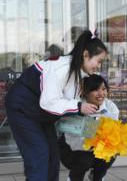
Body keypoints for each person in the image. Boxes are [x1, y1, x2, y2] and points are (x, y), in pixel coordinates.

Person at [5, 30, 108, 181]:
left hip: (41, 114)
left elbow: (65, 102)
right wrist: (79, 107)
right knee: (39, 154)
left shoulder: (78, 73)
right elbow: (49, 102)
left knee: (53, 156)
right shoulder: (60, 68)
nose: (99, 66)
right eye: (99, 61)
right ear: (86, 55)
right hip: (23, 109)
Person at [57, 74, 119, 181]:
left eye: (103, 89)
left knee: (110, 154)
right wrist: (95, 136)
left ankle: (97, 176)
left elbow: (113, 132)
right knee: (85, 158)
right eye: (95, 89)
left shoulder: (110, 107)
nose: (101, 94)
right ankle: (74, 177)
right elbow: (72, 140)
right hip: (71, 148)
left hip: (96, 147)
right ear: (85, 91)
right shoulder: (76, 106)